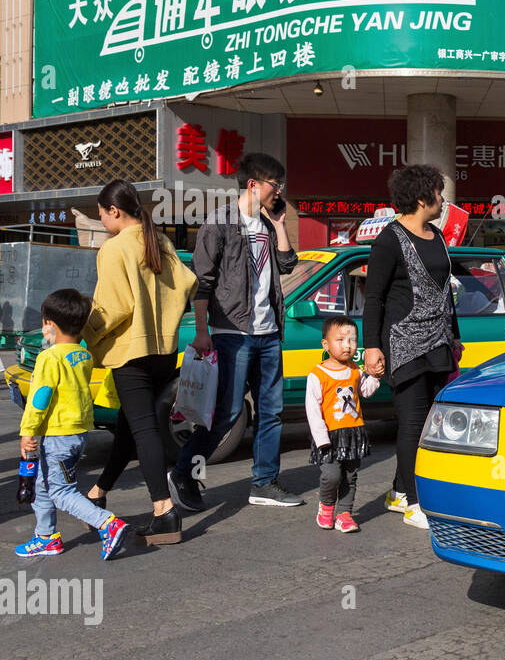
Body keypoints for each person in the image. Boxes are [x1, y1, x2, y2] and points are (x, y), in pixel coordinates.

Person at [167, 153, 302, 512]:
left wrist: (280, 225)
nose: (281, 191)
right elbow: (202, 282)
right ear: (254, 185)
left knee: (271, 412)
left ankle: (264, 483)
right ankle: (183, 471)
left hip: (269, 332)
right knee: (225, 412)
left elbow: (288, 264)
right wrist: (201, 330)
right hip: (233, 333)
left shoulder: (266, 223)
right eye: (277, 185)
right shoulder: (220, 223)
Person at [83, 180, 197, 547]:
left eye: (101, 215)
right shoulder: (159, 241)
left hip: (130, 353)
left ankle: (164, 510)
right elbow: (188, 283)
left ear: (114, 211)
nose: (102, 222)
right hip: (163, 352)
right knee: (130, 427)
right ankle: (98, 492)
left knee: (143, 430)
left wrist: (84, 332)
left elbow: (113, 308)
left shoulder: (114, 248)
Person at [363, 164, 463, 530]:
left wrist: (454, 334)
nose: (442, 199)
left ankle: (397, 490)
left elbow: (445, 291)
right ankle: (415, 504)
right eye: (438, 193)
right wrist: (372, 347)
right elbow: (373, 298)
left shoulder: (436, 236)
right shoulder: (389, 239)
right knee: (411, 423)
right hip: (403, 344)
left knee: (429, 425)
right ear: (422, 198)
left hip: (438, 342)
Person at [15, 289, 131, 560]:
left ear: (50, 325)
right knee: (44, 485)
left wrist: (28, 431)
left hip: (57, 436)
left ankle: (107, 524)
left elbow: (40, 399)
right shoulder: (83, 356)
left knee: (60, 491)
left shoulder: (50, 358)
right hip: (77, 434)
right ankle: (46, 537)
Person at [307, 316, 379, 533]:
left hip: (353, 433)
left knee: (350, 475)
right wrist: (321, 439)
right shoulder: (317, 375)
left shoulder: (354, 369)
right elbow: (313, 410)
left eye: (352, 340)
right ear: (325, 344)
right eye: (340, 340)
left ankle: (345, 513)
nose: (348, 346)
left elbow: (364, 391)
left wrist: (374, 376)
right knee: (331, 475)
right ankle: (327, 507)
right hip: (329, 435)